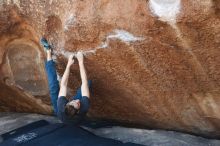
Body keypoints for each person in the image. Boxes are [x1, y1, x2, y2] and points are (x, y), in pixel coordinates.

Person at [42, 38, 92, 124]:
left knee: (53, 87)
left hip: (60, 111)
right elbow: (83, 82)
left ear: (67, 104)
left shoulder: (61, 105)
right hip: (73, 117)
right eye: (77, 103)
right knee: (88, 83)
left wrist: (69, 64)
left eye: (74, 101)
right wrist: (80, 62)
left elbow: (63, 84)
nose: (77, 101)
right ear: (78, 111)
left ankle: (48, 52)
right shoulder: (84, 106)